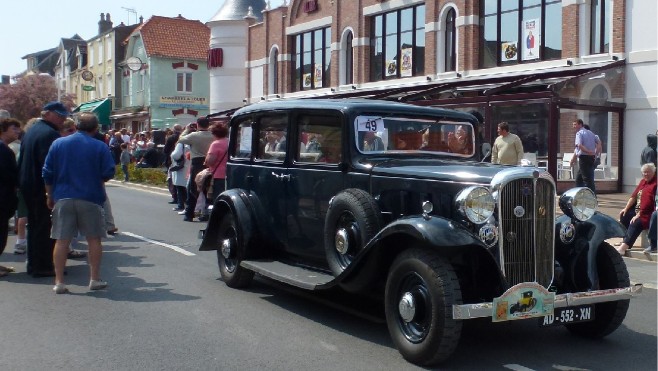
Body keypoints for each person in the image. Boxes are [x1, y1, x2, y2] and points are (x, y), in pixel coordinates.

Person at [42, 112, 115, 294]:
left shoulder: (58, 143)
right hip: (90, 197)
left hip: (63, 196)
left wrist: (50, 195)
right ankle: (94, 279)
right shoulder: (99, 146)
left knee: (61, 240)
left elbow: (47, 172)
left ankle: (59, 281)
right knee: (94, 239)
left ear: (76, 125)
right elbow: (108, 172)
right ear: (96, 127)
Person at [18, 102, 69, 277]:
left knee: (35, 225)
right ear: (47, 114)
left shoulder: (33, 130)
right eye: (59, 115)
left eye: (63, 116)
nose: (62, 119)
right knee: (44, 227)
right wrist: (51, 192)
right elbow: (50, 166)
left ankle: (34, 264)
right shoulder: (49, 134)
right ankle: (43, 265)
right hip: (39, 187)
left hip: (28, 184)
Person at [615, 163, 657, 256]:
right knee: (624, 215)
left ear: (654, 173)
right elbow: (633, 196)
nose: (646, 174)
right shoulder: (643, 182)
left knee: (636, 222)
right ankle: (625, 240)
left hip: (648, 213)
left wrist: (638, 215)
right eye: (644, 172)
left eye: (648, 172)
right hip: (638, 210)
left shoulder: (655, 184)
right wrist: (626, 208)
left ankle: (623, 247)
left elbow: (648, 203)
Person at [178, 118, 214, 222]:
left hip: (197, 163)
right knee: (208, 188)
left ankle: (189, 214)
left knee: (193, 189)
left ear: (197, 124)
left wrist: (187, 129)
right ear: (208, 125)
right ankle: (206, 212)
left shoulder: (194, 135)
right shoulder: (213, 135)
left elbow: (181, 139)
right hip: (209, 162)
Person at [0, 118, 21, 277]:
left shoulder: (5, 148)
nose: (17, 132)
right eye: (14, 129)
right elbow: (9, 175)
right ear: (3, 130)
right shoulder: (3, 150)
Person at [204, 123, 229, 206]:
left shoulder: (216, 144)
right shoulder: (230, 141)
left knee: (217, 197)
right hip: (229, 173)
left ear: (214, 133)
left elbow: (210, 161)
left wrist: (206, 161)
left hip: (218, 174)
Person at [569, 119, 597, 193]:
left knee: (587, 180)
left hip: (584, 158)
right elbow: (599, 143)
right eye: (573, 125)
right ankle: (579, 195)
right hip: (591, 158)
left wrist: (588, 151)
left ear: (580, 125)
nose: (573, 126)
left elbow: (579, 145)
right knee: (579, 179)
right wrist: (595, 153)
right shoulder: (591, 133)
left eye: (575, 124)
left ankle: (591, 197)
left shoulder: (579, 133)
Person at [164, 124, 183, 204]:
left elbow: (165, 150)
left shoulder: (171, 138)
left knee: (172, 179)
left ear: (174, 129)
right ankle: (181, 198)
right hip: (183, 160)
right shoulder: (183, 137)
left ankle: (175, 197)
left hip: (172, 160)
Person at [170, 141, 190, 212]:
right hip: (190, 166)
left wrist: (171, 154)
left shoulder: (181, 143)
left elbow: (176, 155)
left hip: (182, 168)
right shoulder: (196, 141)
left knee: (180, 188)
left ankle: (181, 205)